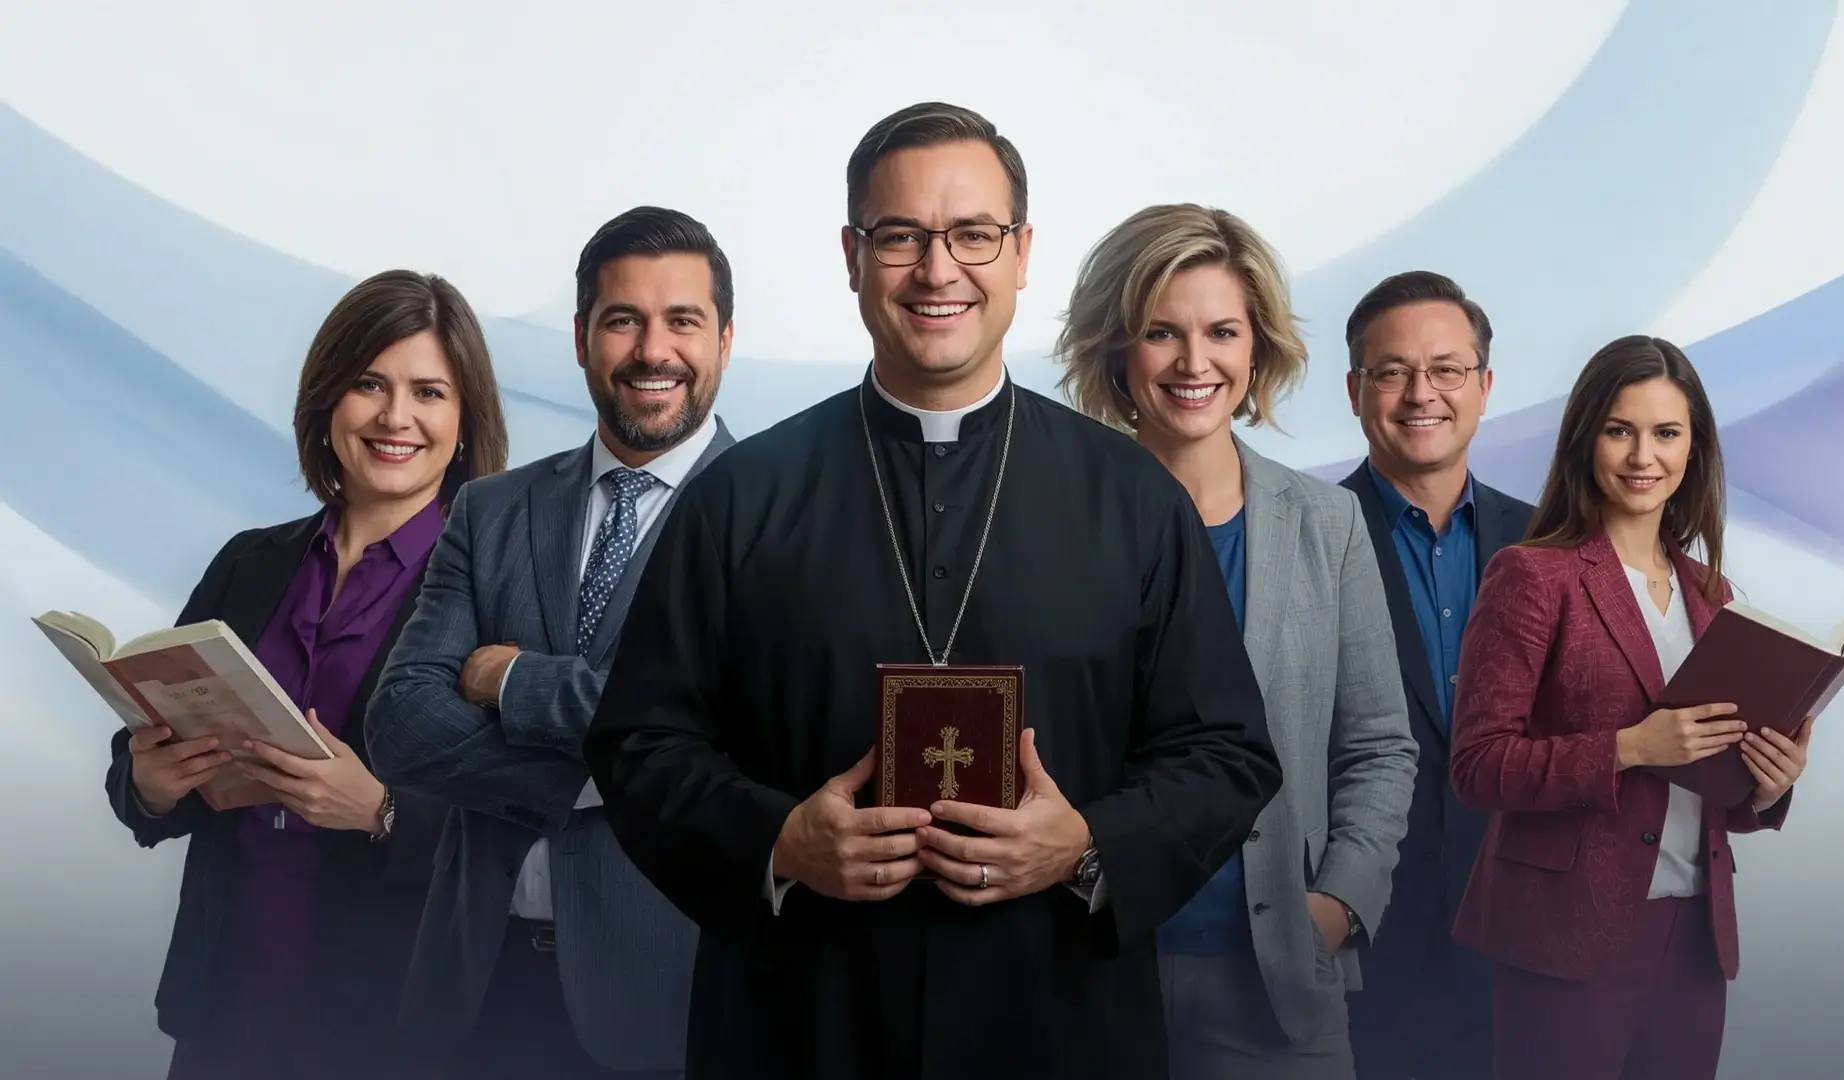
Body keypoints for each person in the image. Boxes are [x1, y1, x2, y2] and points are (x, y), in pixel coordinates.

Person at [581, 102, 1282, 1080]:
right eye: (901, 236)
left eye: (973, 234)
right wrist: (780, 842)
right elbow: (640, 743)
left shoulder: (1131, 498)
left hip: (1059, 1021)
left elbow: (1224, 753)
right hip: (803, 1022)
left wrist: (1087, 846)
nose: (938, 269)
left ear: (1022, 252)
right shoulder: (742, 496)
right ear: (852, 256)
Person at [104, 269, 510, 1079]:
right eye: (369, 384)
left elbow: (527, 822)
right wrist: (149, 783)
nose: (395, 417)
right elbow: (138, 767)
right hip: (226, 1006)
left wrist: (383, 812)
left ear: (465, 422)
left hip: (386, 1023)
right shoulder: (249, 564)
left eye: (429, 392)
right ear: (327, 403)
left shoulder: (499, 592)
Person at [362, 206, 736, 1079]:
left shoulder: (774, 514)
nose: (653, 350)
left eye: (682, 321)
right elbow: (399, 726)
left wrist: (513, 683)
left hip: (669, 1006)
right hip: (474, 992)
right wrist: (630, 775)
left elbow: (736, 725)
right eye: (622, 320)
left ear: (724, 338)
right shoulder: (491, 509)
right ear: (580, 337)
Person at [1055, 203, 1417, 1080]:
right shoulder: (1055, 522)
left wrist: (1337, 905)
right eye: (1160, 332)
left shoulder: (1327, 524)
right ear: (1117, 350)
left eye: (1221, 331)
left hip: (1278, 981)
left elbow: (1378, 747)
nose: (1194, 362)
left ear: (1257, 349)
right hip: (1090, 968)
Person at [1448, 334, 1810, 1079]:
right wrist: (1630, 747)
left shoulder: (1712, 594)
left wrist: (1768, 785)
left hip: (1695, 935)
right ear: (1587, 438)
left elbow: (1713, 785)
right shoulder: (1532, 576)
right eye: (1620, 430)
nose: (1644, 456)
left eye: (1666, 433)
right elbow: (1478, 766)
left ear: (1693, 447)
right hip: (1565, 933)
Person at [1332, 270, 1533, 1080]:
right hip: (1362, 937)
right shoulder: (1306, 537)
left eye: (1447, 369)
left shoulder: (1548, 544)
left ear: (1484, 386)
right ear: (1355, 391)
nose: (1422, 394)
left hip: (1523, 936)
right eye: (1393, 372)